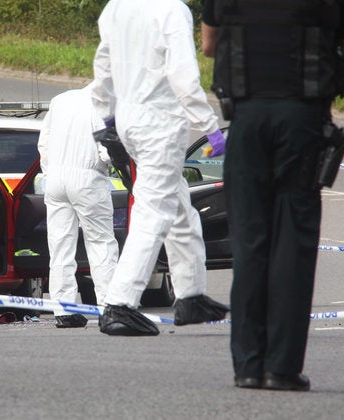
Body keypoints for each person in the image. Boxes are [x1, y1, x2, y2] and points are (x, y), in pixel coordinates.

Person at [201, 0, 344, 391]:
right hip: (302, 119)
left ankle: (248, 366)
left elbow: (209, 44)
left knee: (250, 241)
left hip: (247, 119)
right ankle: (282, 367)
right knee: (294, 242)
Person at [91, 0, 230, 337]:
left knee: (179, 209)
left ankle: (190, 295)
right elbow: (182, 73)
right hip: (160, 122)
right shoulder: (171, 10)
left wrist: (106, 116)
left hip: (128, 118)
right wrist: (210, 125)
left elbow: (103, 66)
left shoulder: (116, 8)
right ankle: (119, 304)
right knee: (154, 211)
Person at [38, 83, 120, 328]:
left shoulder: (61, 100)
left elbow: (44, 142)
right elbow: (107, 148)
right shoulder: (105, 104)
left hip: (55, 178)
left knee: (60, 244)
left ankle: (63, 309)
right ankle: (110, 306)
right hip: (87, 178)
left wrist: (50, 169)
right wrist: (115, 162)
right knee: (101, 243)